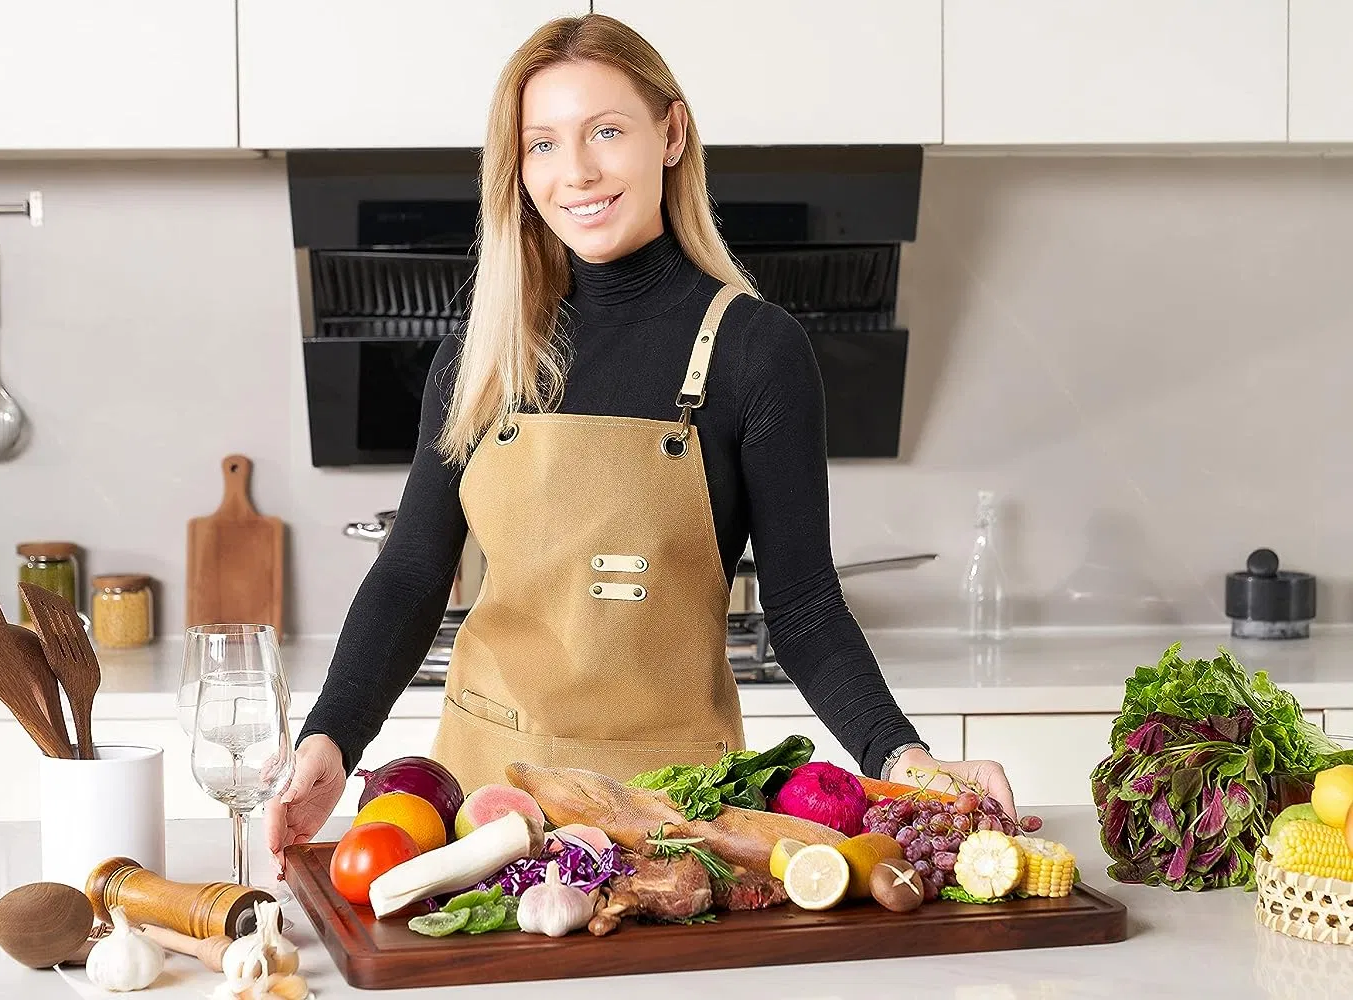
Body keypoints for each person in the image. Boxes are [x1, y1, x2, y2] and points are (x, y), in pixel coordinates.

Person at [267, 13, 1015, 865]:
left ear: (672, 133)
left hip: (677, 820)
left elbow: (803, 608)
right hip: (481, 814)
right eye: (542, 144)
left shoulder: (755, 351)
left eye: (606, 131)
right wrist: (331, 738)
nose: (575, 172)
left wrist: (904, 759)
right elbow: (410, 573)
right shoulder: (479, 356)